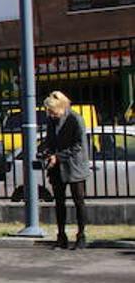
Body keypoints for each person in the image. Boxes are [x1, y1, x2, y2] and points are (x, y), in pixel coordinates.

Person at [40, 90, 90, 250]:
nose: (51, 114)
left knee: (78, 201)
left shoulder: (76, 119)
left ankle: (81, 235)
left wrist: (59, 156)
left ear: (62, 107)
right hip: (56, 166)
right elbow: (49, 140)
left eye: (53, 111)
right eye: (49, 111)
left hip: (74, 165)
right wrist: (46, 152)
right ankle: (61, 236)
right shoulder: (51, 120)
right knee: (59, 202)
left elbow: (79, 146)